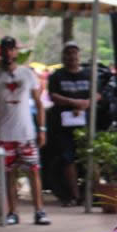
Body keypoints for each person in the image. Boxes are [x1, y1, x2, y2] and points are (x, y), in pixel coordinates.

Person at [0, 36, 50, 226]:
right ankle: (13, 212)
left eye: (11, 49)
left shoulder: (27, 73)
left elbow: (39, 103)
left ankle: (39, 211)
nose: (8, 52)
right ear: (0, 52)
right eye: (4, 49)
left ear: (16, 51)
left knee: (33, 172)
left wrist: (42, 129)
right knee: (9, 174)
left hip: (26, 133)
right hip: (4, 134)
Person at [47, 40, 95, 207]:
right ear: (63, 56)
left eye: (74, 53)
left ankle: (92, 194)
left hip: (86, 125)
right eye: (68, 53)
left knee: (90, 157)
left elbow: (98, 94)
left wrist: (86, 103)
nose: (71, 56)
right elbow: (53, 96)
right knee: (68, 159)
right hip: (63, 126)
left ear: (79, 55)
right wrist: (73, 102)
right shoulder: (57, 76)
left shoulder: (89, 74)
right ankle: (75, 195)